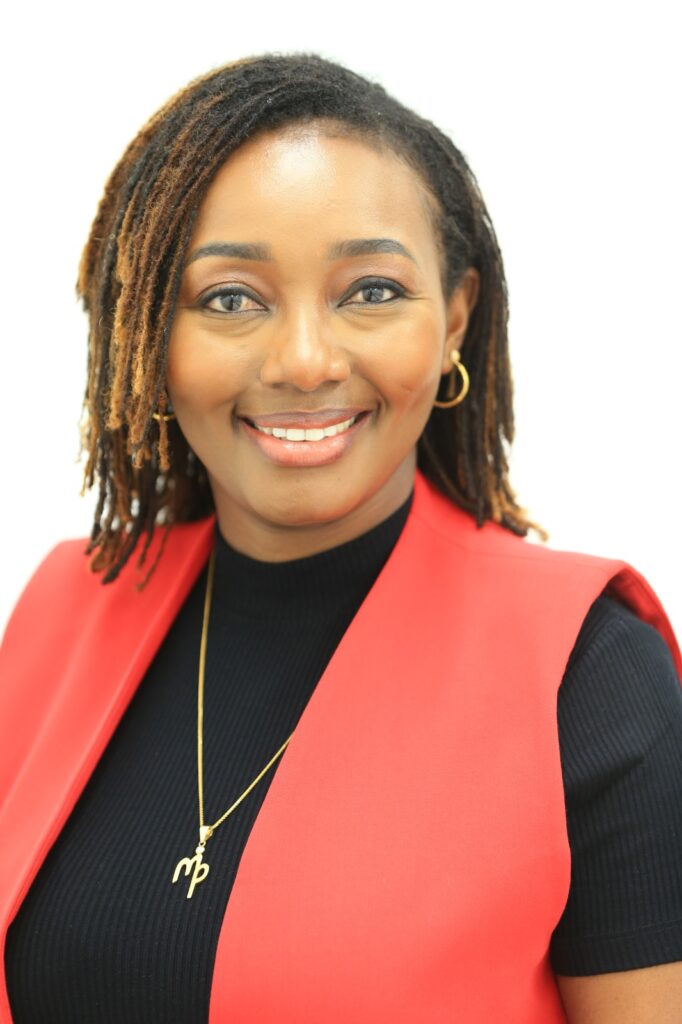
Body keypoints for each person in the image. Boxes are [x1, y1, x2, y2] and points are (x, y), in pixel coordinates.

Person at [0, 52, 681, 1024]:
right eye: (230, 298)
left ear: (454, 318)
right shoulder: (62, 610)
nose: (305, 361)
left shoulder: (588, 671)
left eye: (370, 290)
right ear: (149, 334)